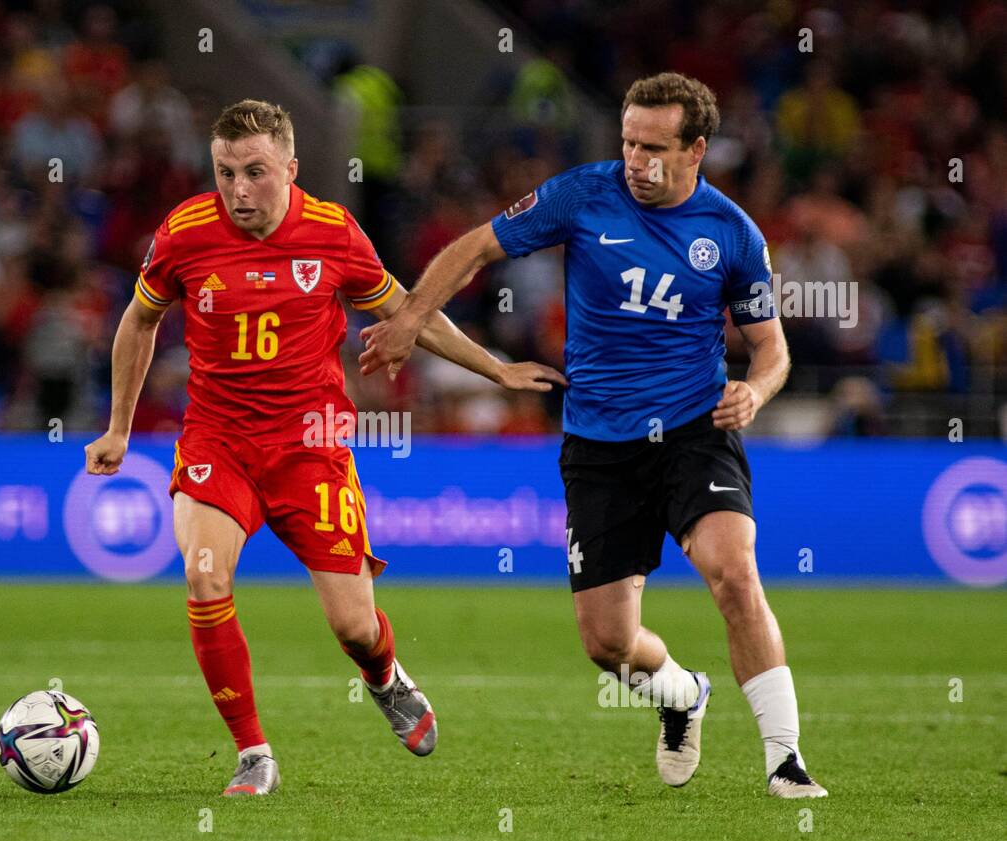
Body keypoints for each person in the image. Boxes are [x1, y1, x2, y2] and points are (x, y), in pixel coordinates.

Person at [360, 74, 827, 799]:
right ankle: (680, 696)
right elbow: (475, 248)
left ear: (697, 149)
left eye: (654, 148)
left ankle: (785, 759)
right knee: (608, 645)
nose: (636, 161)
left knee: (734, 573)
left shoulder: (732, 232)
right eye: (628, 143)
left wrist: (754, 391)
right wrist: (413, 319)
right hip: (599, 445)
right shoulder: (582, 195)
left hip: (694, 431)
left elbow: (772, 349)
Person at [85, 99, 565, 796]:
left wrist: (495, 369)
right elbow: (139, 321)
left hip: (311, 451)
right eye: (224, 173)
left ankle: (384, 677)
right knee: (205, 576)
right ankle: (254, 754)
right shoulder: (184, 233)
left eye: (255, 172)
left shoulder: (332, 233)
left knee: (355, 625)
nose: (239, 190)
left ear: (291, 168)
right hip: (218, 442)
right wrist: (120, 426)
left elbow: (405, 311)